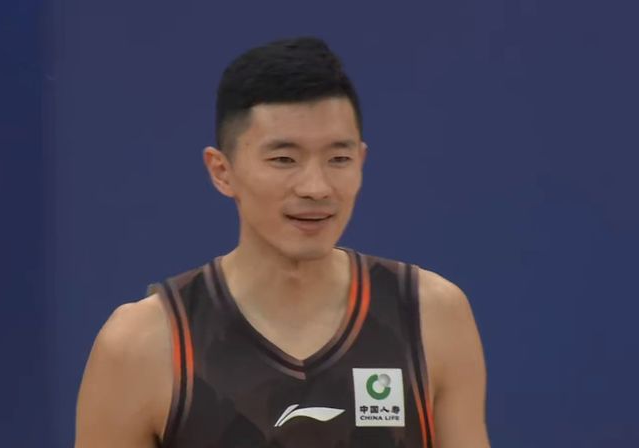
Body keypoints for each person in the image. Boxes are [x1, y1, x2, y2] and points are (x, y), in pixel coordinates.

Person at [75, 36, 490, 448]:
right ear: (221, 171)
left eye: (339, 159)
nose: (316, 187)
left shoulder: (430, 316)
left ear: (361, 163)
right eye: (284, 160)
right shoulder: (143, 345)